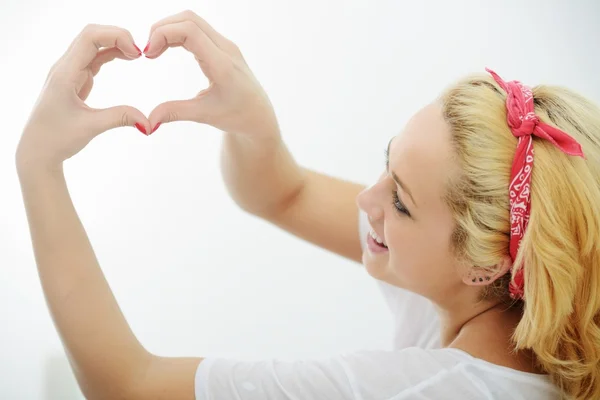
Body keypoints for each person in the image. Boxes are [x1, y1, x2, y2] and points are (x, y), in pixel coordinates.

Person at [14, 9, 600, 400]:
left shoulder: (429, 390)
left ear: (488, 260)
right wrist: (252, 125)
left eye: (400, 202)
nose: (366, 199)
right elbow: (281, 193)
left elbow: (127, 386)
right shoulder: (512, 291)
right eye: (386, 162)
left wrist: (37, 164)